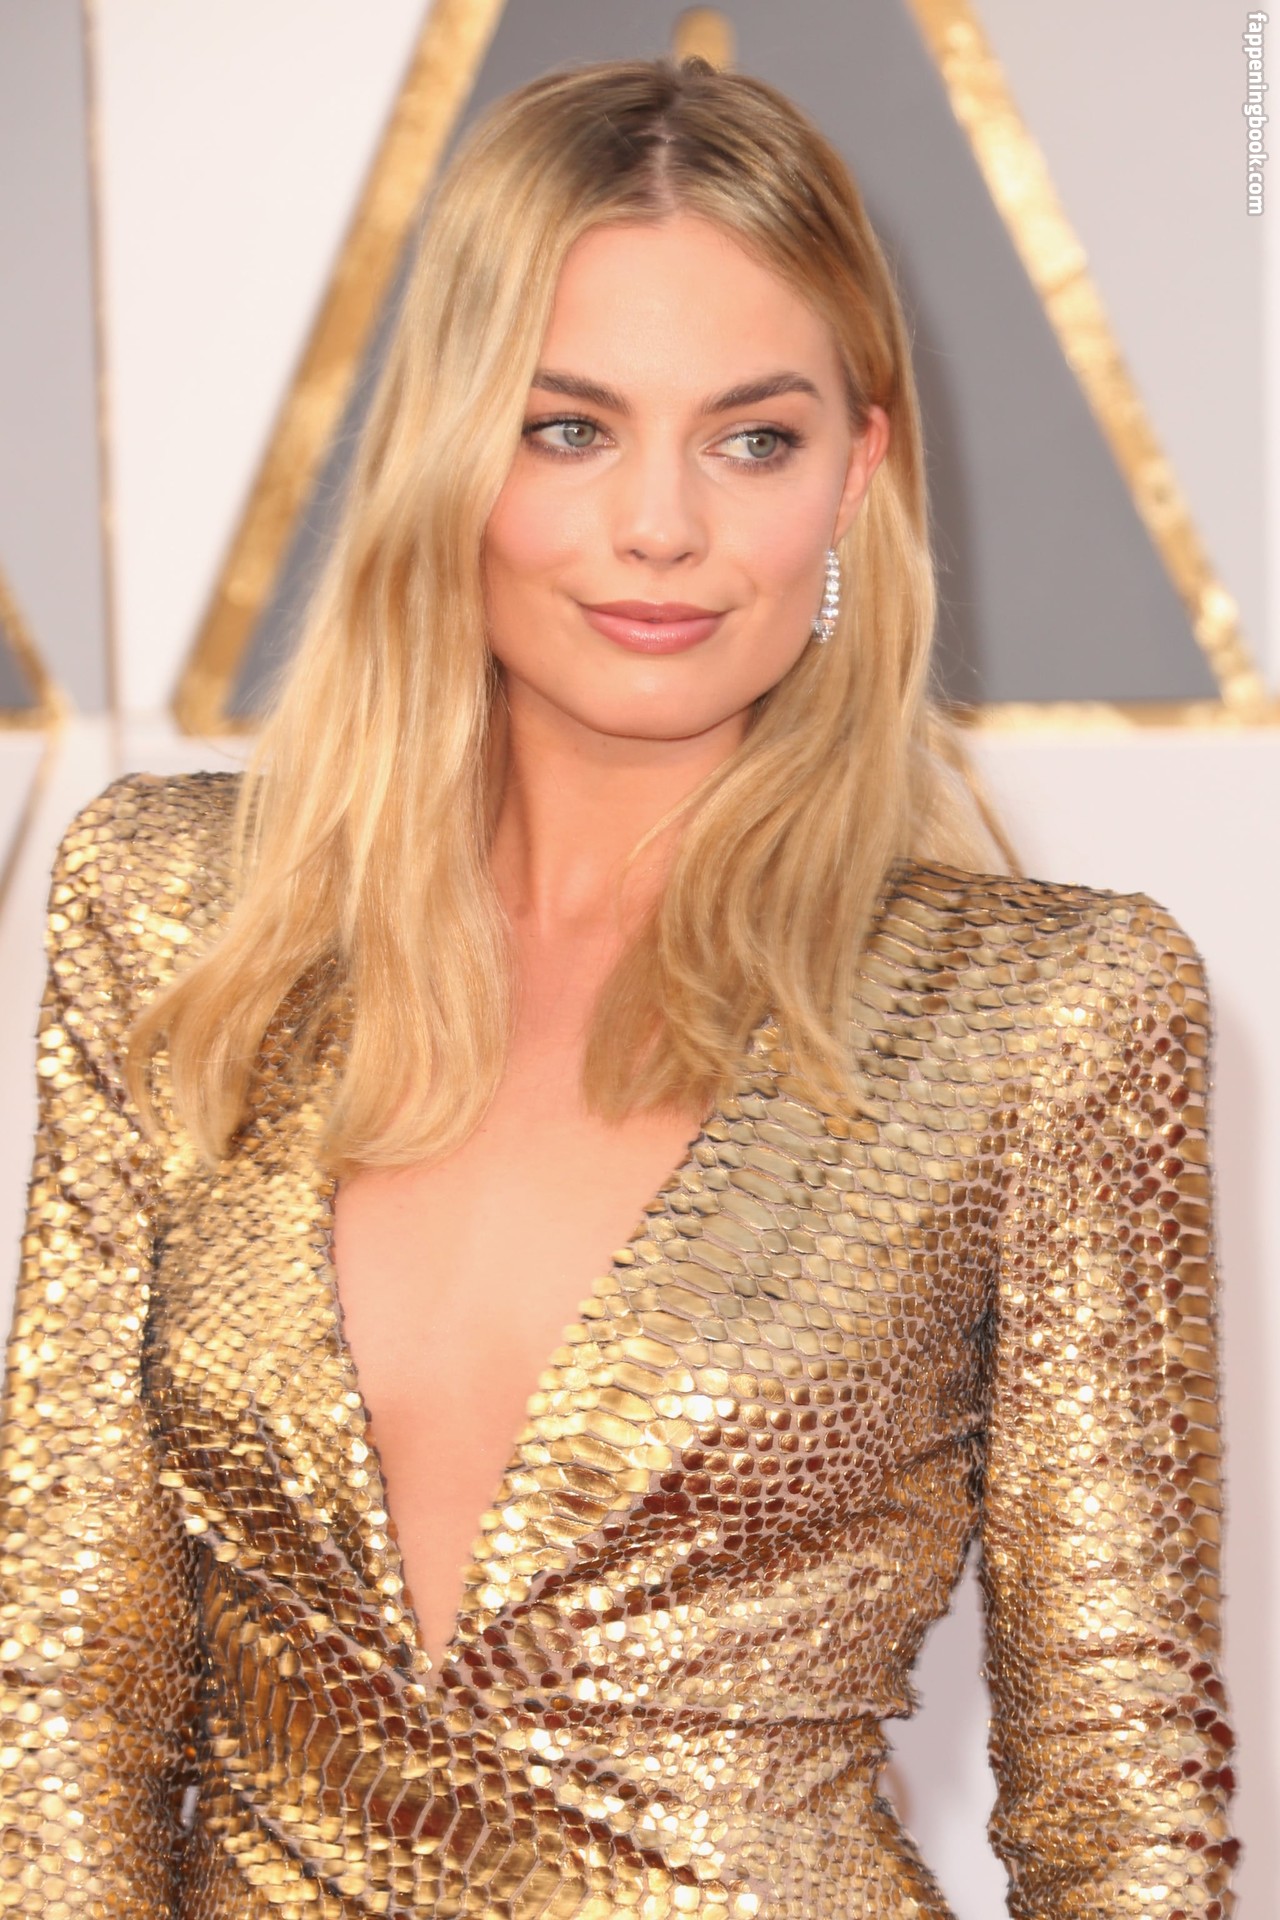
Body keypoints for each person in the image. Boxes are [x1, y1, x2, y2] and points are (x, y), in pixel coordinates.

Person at [0, 54, 1236, 1919]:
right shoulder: (182, 913)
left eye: (753, 441)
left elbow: (1118, 1779)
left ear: (858, 472)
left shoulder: (1048, 1014)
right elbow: (69, 1679)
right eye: (569, 427)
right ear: (449, 446)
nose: (661, 525)